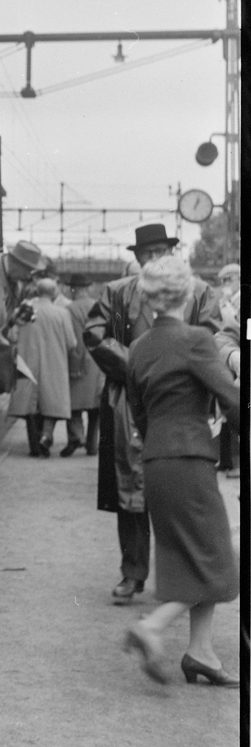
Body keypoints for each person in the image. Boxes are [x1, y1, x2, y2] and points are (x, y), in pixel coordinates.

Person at [84, 223, 239, 605]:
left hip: (185, 399)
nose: (152, 259)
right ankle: (132, 572)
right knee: (131, 490)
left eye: (159, 252)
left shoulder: (199, 292)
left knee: (175, 493)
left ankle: (177, 582)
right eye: (145, 253)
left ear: (170, 253)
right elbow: (95, 333)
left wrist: (163, 364)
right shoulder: (117, 291)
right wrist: (136, 365)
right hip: (128, 393)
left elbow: (214, 337)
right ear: (135, 257)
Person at [121, 256, 241, 686]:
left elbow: (139, 413)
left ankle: (201, 653)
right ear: (189, 293)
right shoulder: (196, 339)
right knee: (219, 559)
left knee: (192, 552)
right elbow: (232, 399)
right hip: (191, 459)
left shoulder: (137, 348)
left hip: (157, 461)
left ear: (148, 298)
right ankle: (152, 628)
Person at [0, 239, 46, 439]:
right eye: (28, 270)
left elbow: (3, 314)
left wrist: (15, 318)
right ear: (17, 264)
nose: (29, 276)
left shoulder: (13, 279)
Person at [8, 278, 77, 456]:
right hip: (55, 363)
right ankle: (46, 435)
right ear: (54, 292)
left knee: (31, 406)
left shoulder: (26, 308)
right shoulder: (62, 313)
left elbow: (12, 334)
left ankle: (35, 446)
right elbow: (71, 343)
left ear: (37, 291)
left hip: (28, 362)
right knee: (51, 402)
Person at [62, 274, 104, 456]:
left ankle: (76, 437)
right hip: (99, 361)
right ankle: (92, 444)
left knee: (73, 405)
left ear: (73, 289)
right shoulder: (100, 306)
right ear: (89, 287)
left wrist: (74, 367)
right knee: (95, 406)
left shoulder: (70, 309)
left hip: (80, 361)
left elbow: (77, 341)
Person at [216, 262, 241, 478]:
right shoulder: (227, 301)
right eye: (222, 281)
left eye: (229, 279)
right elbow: (228, 334)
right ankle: (230, 461)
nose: (225, 285)